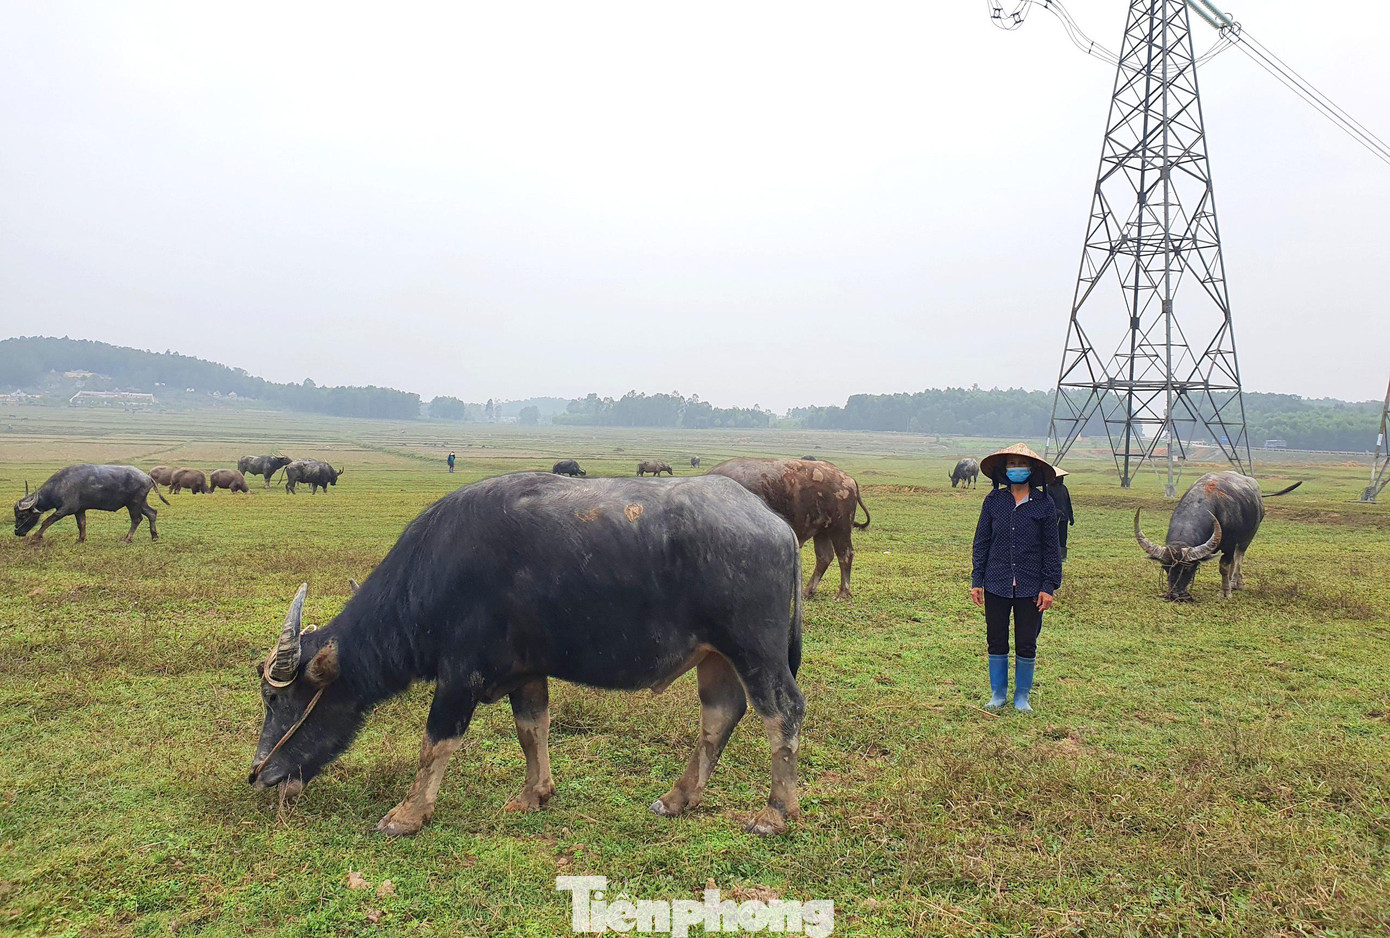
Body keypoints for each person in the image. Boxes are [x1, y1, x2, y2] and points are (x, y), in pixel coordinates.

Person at [970, 443, 1062, 713]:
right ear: (1005, 469)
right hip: (996, 582)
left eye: (1021, 465)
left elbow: (1051, 549)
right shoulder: (994, 501)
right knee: (996, 639)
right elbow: (981, 542)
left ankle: (1022, 697)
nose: (1016, 469)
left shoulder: (1044, 504)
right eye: (1011, 464)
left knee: (1026, 641)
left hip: (1031, 586)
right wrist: (977, 580)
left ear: (1031, 470)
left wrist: (1048, 586)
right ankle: (997, 694)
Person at [1047, 468, 1075, 562]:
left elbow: (1068, 503)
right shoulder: (1048, 489)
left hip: (1064, 518)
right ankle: (1052, 558)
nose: (1061, 478)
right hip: (1053, 519)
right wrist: (1056, 512)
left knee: (1063, 539)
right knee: (1053, 539)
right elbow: (1047, 505)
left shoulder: (1064, 488)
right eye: (1060, 477)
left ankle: (1062, 558)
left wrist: (1071, 517)